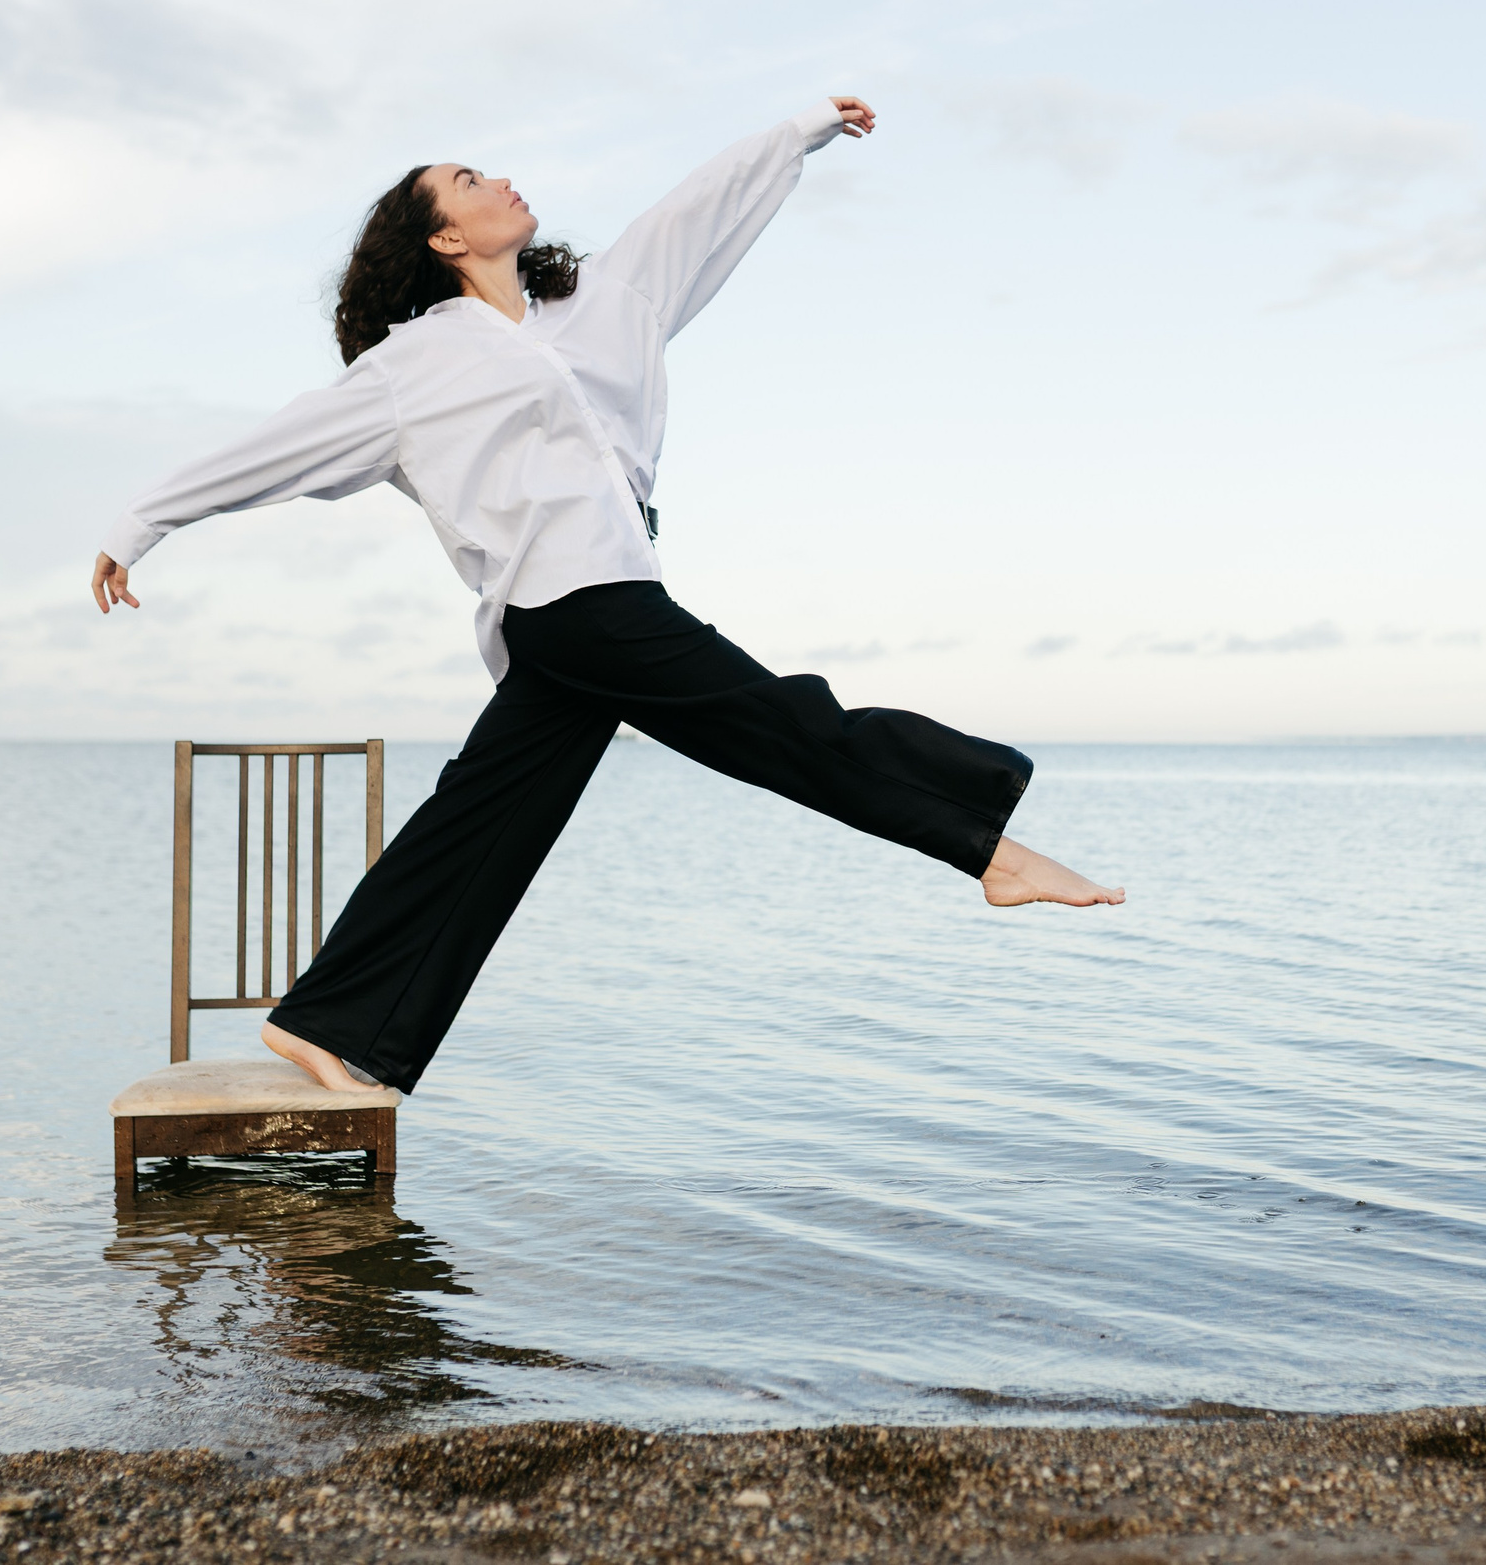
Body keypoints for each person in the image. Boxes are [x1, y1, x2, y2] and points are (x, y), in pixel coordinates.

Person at [90, 96, 1122, 1098]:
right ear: (444, 236)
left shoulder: (598, 307)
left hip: (590, 606)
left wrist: (798, 133)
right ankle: (987, 846)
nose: (498, 178)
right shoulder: (414, 366)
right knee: (774, 721)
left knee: (484, 823)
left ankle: (326, 1017)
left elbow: (692, 216)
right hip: (571, 600)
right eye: (468, 179)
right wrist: (144, 522)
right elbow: (280, 445)